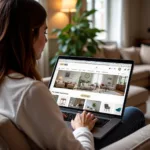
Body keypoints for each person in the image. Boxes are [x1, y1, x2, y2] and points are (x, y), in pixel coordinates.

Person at [0, 0, 145, 150]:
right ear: (29, 35)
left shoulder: (7, 82)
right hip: (80, 141)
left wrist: (49, 112)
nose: (46, 39)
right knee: (134, 114)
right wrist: (82, 128)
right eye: (44, 32)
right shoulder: (31, 91)